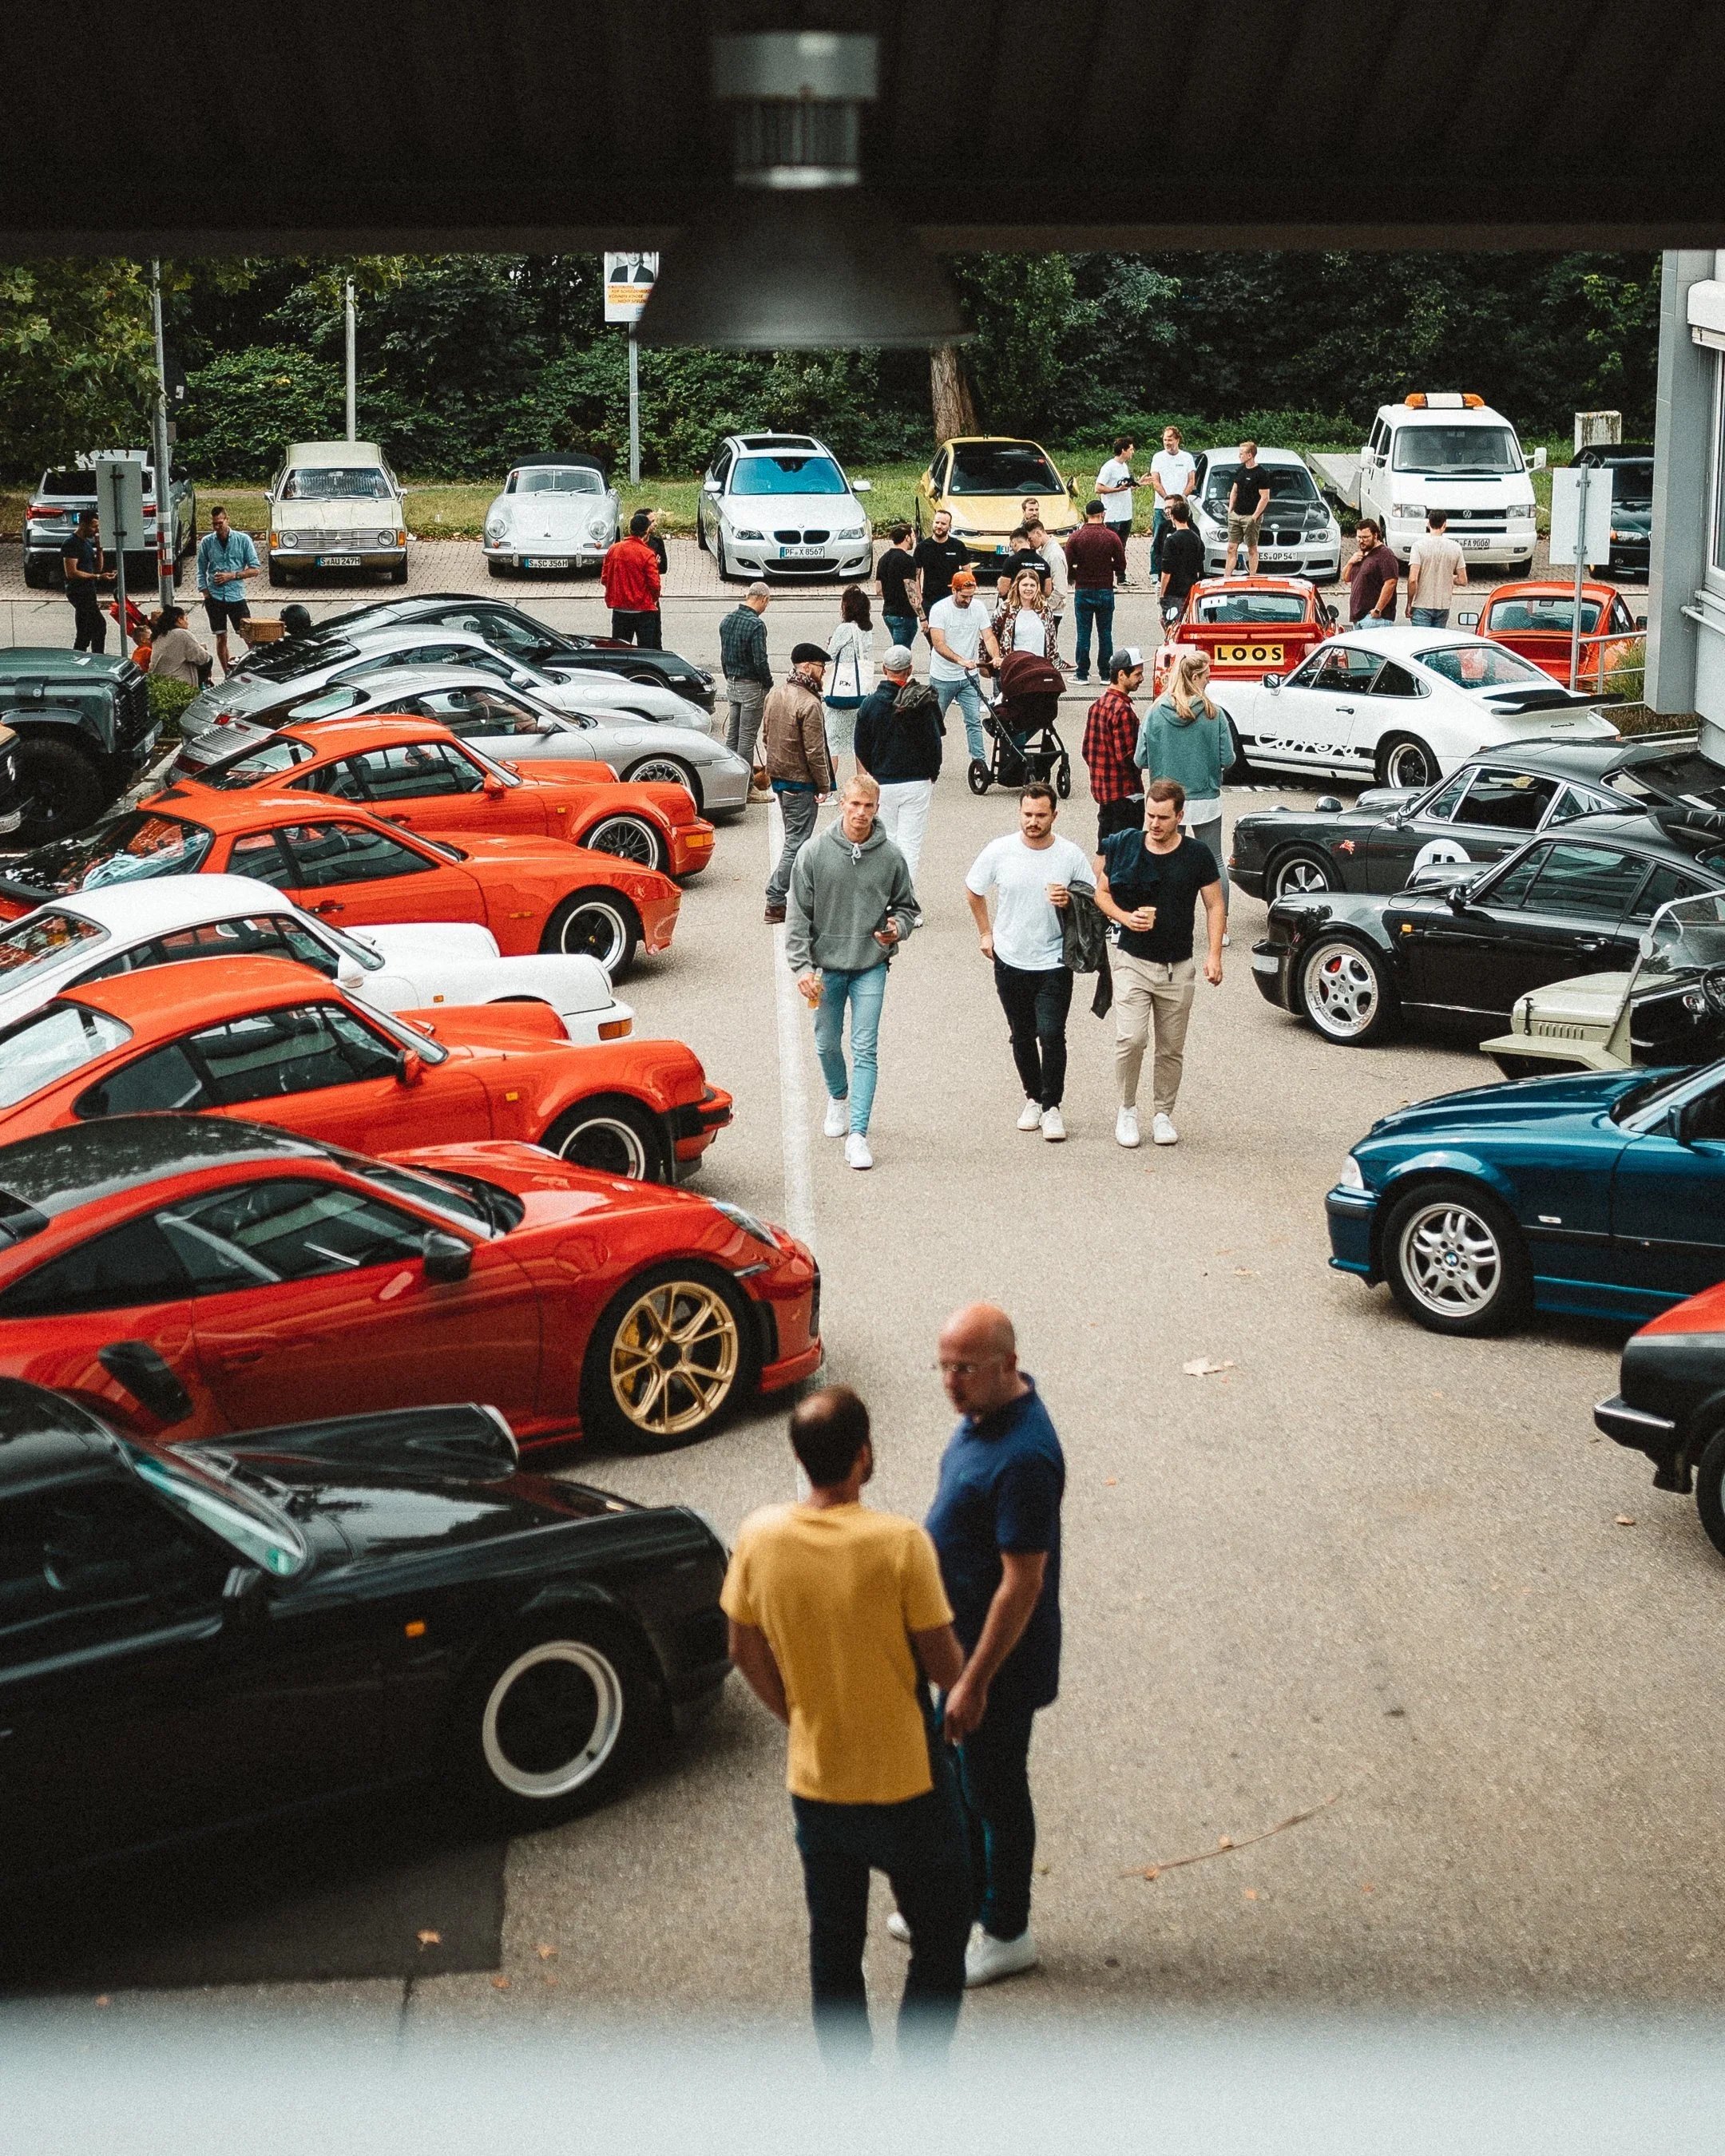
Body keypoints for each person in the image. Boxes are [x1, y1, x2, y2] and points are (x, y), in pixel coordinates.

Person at [723, 1384, 970, 2065]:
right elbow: (946, 1666)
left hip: (818, 1780)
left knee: (834, 1948)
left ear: (800, 1459)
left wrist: (796, 1712)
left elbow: (743, 1647)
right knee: (940, 1934)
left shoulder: (760, 1535)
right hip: (907, 1784)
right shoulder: (900, 1544)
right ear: (864, 1454)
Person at [919, 1303, 1065, 1989]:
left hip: (997, 1662)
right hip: (960, 1647)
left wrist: (973, 1682)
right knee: (959, 1782)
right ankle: (965, 1905)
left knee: (995, 1794)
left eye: (965, 1369)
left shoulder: (1025, 1456)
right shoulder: (984, 1416)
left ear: (1007, 1365)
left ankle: (1007, 1931)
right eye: (945, 1367)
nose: (951, 1383)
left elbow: (1022, 1584)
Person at [785, 773, 918, 1172]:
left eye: (869, 806)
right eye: (854, 804)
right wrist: (802, 966)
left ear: (877, 809)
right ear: (841, 804)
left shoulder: (891, 857)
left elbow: (908, 908)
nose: (861, 813)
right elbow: (797, 918)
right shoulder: (813, 853)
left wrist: (898, 928)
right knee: (826, 1043)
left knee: (865, 1048)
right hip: (826, 968)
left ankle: (858, 1134)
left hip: (870, 965)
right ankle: (838, 1098)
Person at [1093, 778, 1225, 1149]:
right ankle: (1127, 1110)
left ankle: (1163, 1113)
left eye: (1163, 817)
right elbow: (1100, 892)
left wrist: (1214, 955)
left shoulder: (1196, 855)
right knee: (1131, 1039)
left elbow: (1215, 905)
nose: (1154, 824)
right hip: (1133, 960)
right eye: (1150, 815)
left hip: (1177, 967)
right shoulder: (1125, 845)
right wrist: (1123, 917)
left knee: (1170, 1048)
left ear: (1180, 816)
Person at [964, 783, 1096, 1143]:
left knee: (1052, 1034)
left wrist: (1069, 899)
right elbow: (974, 889)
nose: (1033, 821)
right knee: (1022, 1034)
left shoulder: (1069, 855)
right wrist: (985, 934)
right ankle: (1033, 1099)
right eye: (1027, 814)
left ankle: (1052, 1107)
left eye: (1040, 815)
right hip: (1009, 959)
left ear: (1055, 814)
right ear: (1019, 813)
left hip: (1054, 960)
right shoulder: (1000, 850)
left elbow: (1095, 899)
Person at [1135, 646, 1233, 924]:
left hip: (1166, 799)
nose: (1209, 681)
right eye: (1207, 676)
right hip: (1205, 796)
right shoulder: (1214, 713)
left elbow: (1140, 758)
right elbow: (1229, 757)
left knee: (1166, 859)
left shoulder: (1155, 712)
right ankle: (1220, 925)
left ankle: (1166, 919)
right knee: (1214, 859)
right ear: (1197, 677)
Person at [855, 644, 942, 886]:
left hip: (884, 780)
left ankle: (886, 900)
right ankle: (907, 904)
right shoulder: (923, 700)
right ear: (910, 669)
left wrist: (874, 771)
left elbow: (861, 746)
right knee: (910, 846)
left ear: (884, 670)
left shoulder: (870, 704)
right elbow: (935, 742)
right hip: (917, 781)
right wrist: (932, 772)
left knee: (886, 843)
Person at [762, 642, 835, 925]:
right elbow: (815, 751)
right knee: (796, 841)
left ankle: (791, 897)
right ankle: (776, 898)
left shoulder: (776, 694)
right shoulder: (810, 703)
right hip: (800, 781)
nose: (824, 672)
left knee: (795, 837)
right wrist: (824, 784)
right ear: (806, 667)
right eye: (820, 667)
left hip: (780, 776)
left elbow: (766, 736)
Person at [926, 569, 1000, 766]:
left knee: (974, 721)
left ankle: (979, 762)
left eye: (971, 596)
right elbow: (938, 644)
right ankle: (928, 760)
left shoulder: (978, 608)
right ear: (954, 591)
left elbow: (989, 636)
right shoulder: (940, 609)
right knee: (935, 722)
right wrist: (960, 660)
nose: (968, 601)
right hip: (942, 677)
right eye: (964, 596)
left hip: (969, 677)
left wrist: (996, 656)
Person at [1081, 647, 1146, 846]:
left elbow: (1087, 750)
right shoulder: (1123, 711)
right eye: (1137, 674)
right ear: (1121, 675)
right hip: (1126, 796)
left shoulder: (1097, 705)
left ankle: (1099, 879)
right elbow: (1128, 756)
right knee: (1126, 855)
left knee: (1104, 850)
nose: (1142, 679)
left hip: (1104, 794)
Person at [719, 580, 775, 797]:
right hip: (752, 686)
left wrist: (728, 677)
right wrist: (768, 683)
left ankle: (729, 780)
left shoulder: (727, 620)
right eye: (767, 603)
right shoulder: (756, 625)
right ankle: (746, 787)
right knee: (747, 738)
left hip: (732, 683)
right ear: (763, 599)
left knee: (733, 735)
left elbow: (724, 656)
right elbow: (760, 660)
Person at [1063, 501, 1127, 684]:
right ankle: (1106, 674)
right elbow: (1121, 564)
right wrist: (1109, 567)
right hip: (1105, 588)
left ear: (1086, 514)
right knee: (1105, 633)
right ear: (1102, 514)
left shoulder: (1076, 537)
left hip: (1083, 589)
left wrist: (1077, 574)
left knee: (1083, 634)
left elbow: (1068, 564)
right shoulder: (1111, 537)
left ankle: (1082, 673)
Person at [195, 505, 260, 676]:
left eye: (220, 523)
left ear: (227, 520)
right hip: (214, 597)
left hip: (236, 595)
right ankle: (226, 673)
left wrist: (233, 575)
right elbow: (201, 569)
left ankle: (254, 669)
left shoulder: (243, 540)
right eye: (214, 524)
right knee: (221, 636)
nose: (217, 527)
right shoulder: (207, 542)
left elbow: (255, 569)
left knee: (248, 635)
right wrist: (205, 592)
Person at [824, 584, 876, 783]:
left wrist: (829, 644)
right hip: (862, 692)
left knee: (832, 742)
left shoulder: (845, 629)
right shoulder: (866, 630)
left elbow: (830, 656)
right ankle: (863, 784)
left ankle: (828, 786)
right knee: (860, 743)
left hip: (841, 691)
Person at [600, 509, 663, 646]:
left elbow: (605, 578)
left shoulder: (614, 549)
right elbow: (654, 584)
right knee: (646, 651)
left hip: (620, 609)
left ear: (630, 529)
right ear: (646, 531)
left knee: (620, 650)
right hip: (643, 610)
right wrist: (654, 600)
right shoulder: (647, 554)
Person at [912, 509, 970, 643]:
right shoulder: (922, 547)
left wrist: (966, 594)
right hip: (930, 600)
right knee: (934, 642)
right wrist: (919, 597)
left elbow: (968, 572)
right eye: (937, 522)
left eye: (943, 524)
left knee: (952, 639)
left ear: (949, 526)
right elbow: (916, 575)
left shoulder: (958, 546)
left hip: (953, 599)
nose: (939, 526)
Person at [61, 510, 115, 653]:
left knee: (84, 632)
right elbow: (71, 572)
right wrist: (97, 578)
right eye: (94, 526)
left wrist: (100, 550)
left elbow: (97, 568)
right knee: (99, 626)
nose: (96, 530)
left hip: (89, 591)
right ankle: (98, 657)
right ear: (83, 524)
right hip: (78, 592)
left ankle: (80, 656)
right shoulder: (71, 543)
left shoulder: (86, 543)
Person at [1148, 424, 1196, 581]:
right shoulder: (1158, 457)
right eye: (1164, 440)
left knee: (1185, 536)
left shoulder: (1187, 458)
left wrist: (1181, 498)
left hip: (1182, 505)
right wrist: (1167, 499)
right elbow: (1155, 481)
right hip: (1161, 506)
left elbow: (1191, 481)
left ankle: (1183, 568)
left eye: (1170, 439)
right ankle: (1155, 572)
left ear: (1177, 440)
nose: (1167, 443)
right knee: (1158, 539)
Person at [1407, 506, 1467, 627]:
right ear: (1444, 525)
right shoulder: (1455, 547)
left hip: (1422, 604)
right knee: (1438, 643)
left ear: (1428, 524)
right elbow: (1463, 580)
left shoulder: (1418, 546)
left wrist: (1409, 603)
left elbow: (1413, 580)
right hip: (1443, 605)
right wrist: (1449, 576)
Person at [993, 565, 1061, 661]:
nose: (1029, 589)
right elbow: (991, 635)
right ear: (1017, 586)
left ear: (1037, 588)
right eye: (1025, 585)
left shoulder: (1045, 609)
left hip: (1039, 666)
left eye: (1032, 585)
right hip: (1014, 666)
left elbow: (1052, 641)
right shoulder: (1005, 608)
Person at [1156, 497, 1207, 624]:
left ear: (1173, 517)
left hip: (1174, 590)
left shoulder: (1172, 540)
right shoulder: (1196, 539)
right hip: (1190, 588)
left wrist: (1162, 594)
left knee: (1169, 623)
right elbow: (1199, 565)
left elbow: (1167, 571)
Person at [1025, 517, 1069, 656]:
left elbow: (1060, 590)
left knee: (1045, 650)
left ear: (1038, 533)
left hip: (1053, 611)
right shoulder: (1045, 551)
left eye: (1031, 539)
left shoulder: (1054, 555)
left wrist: (1044, 608)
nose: (1030, 544)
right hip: (1048, 609)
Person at [1225, 442, 1271, 575]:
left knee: (1252, 548)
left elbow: (1265, 497)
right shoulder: (1240, 470)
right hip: (1236, 515)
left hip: (1250, 516)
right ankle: (1226, 577)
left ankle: (1252, 576)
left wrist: (1255, 516)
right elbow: (1234, 491)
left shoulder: (1261, 473)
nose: (1239, 456)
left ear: (1250, 455)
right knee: (1231, 547)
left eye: (1242, 453)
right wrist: (1230, 510)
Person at [1345, 517, 1400, 624]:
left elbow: (1391, 582)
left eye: (1366, 537)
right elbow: (1346, 578)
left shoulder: (1385, 555)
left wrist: (1378, 609)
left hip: (1375, 619)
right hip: (1358, 617)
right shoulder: (1361, 554)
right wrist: (1350, 562)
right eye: (1359, 537)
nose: (1361, 541)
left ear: (1375, 535)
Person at [877, 525, 920, 654]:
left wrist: (891, 596)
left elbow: (878, 589)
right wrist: (922, 617)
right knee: (901, 653)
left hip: (888, 613)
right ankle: (897, 673)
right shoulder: (908, 561)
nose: (914, 539)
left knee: (900, 649)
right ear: (907, 538)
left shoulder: (883, 559)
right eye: (913, 536)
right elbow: (911, 592)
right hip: (904, 614)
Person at [145, 605, 211, 688]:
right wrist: (202, 649)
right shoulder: (182, 634)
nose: (188, 623)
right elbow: (203, 658)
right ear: (180, 620)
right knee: (209, 659)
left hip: (157, 681)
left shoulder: (159, 635)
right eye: (186, 619)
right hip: (177, 684)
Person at [1096, 434, 1138, 563]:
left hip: (1126, 514)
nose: (1133, 452)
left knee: (1121, 548)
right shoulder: (1109, 467)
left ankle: (1121, 576)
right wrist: (1116, 490)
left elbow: (1126, 487)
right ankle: (1107, 576)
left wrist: (1139, 483)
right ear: (1123, 450)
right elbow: (1098, 488)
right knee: (1109, 548)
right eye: (1131, 449)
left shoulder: (1124, 466)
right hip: (1113, 516)